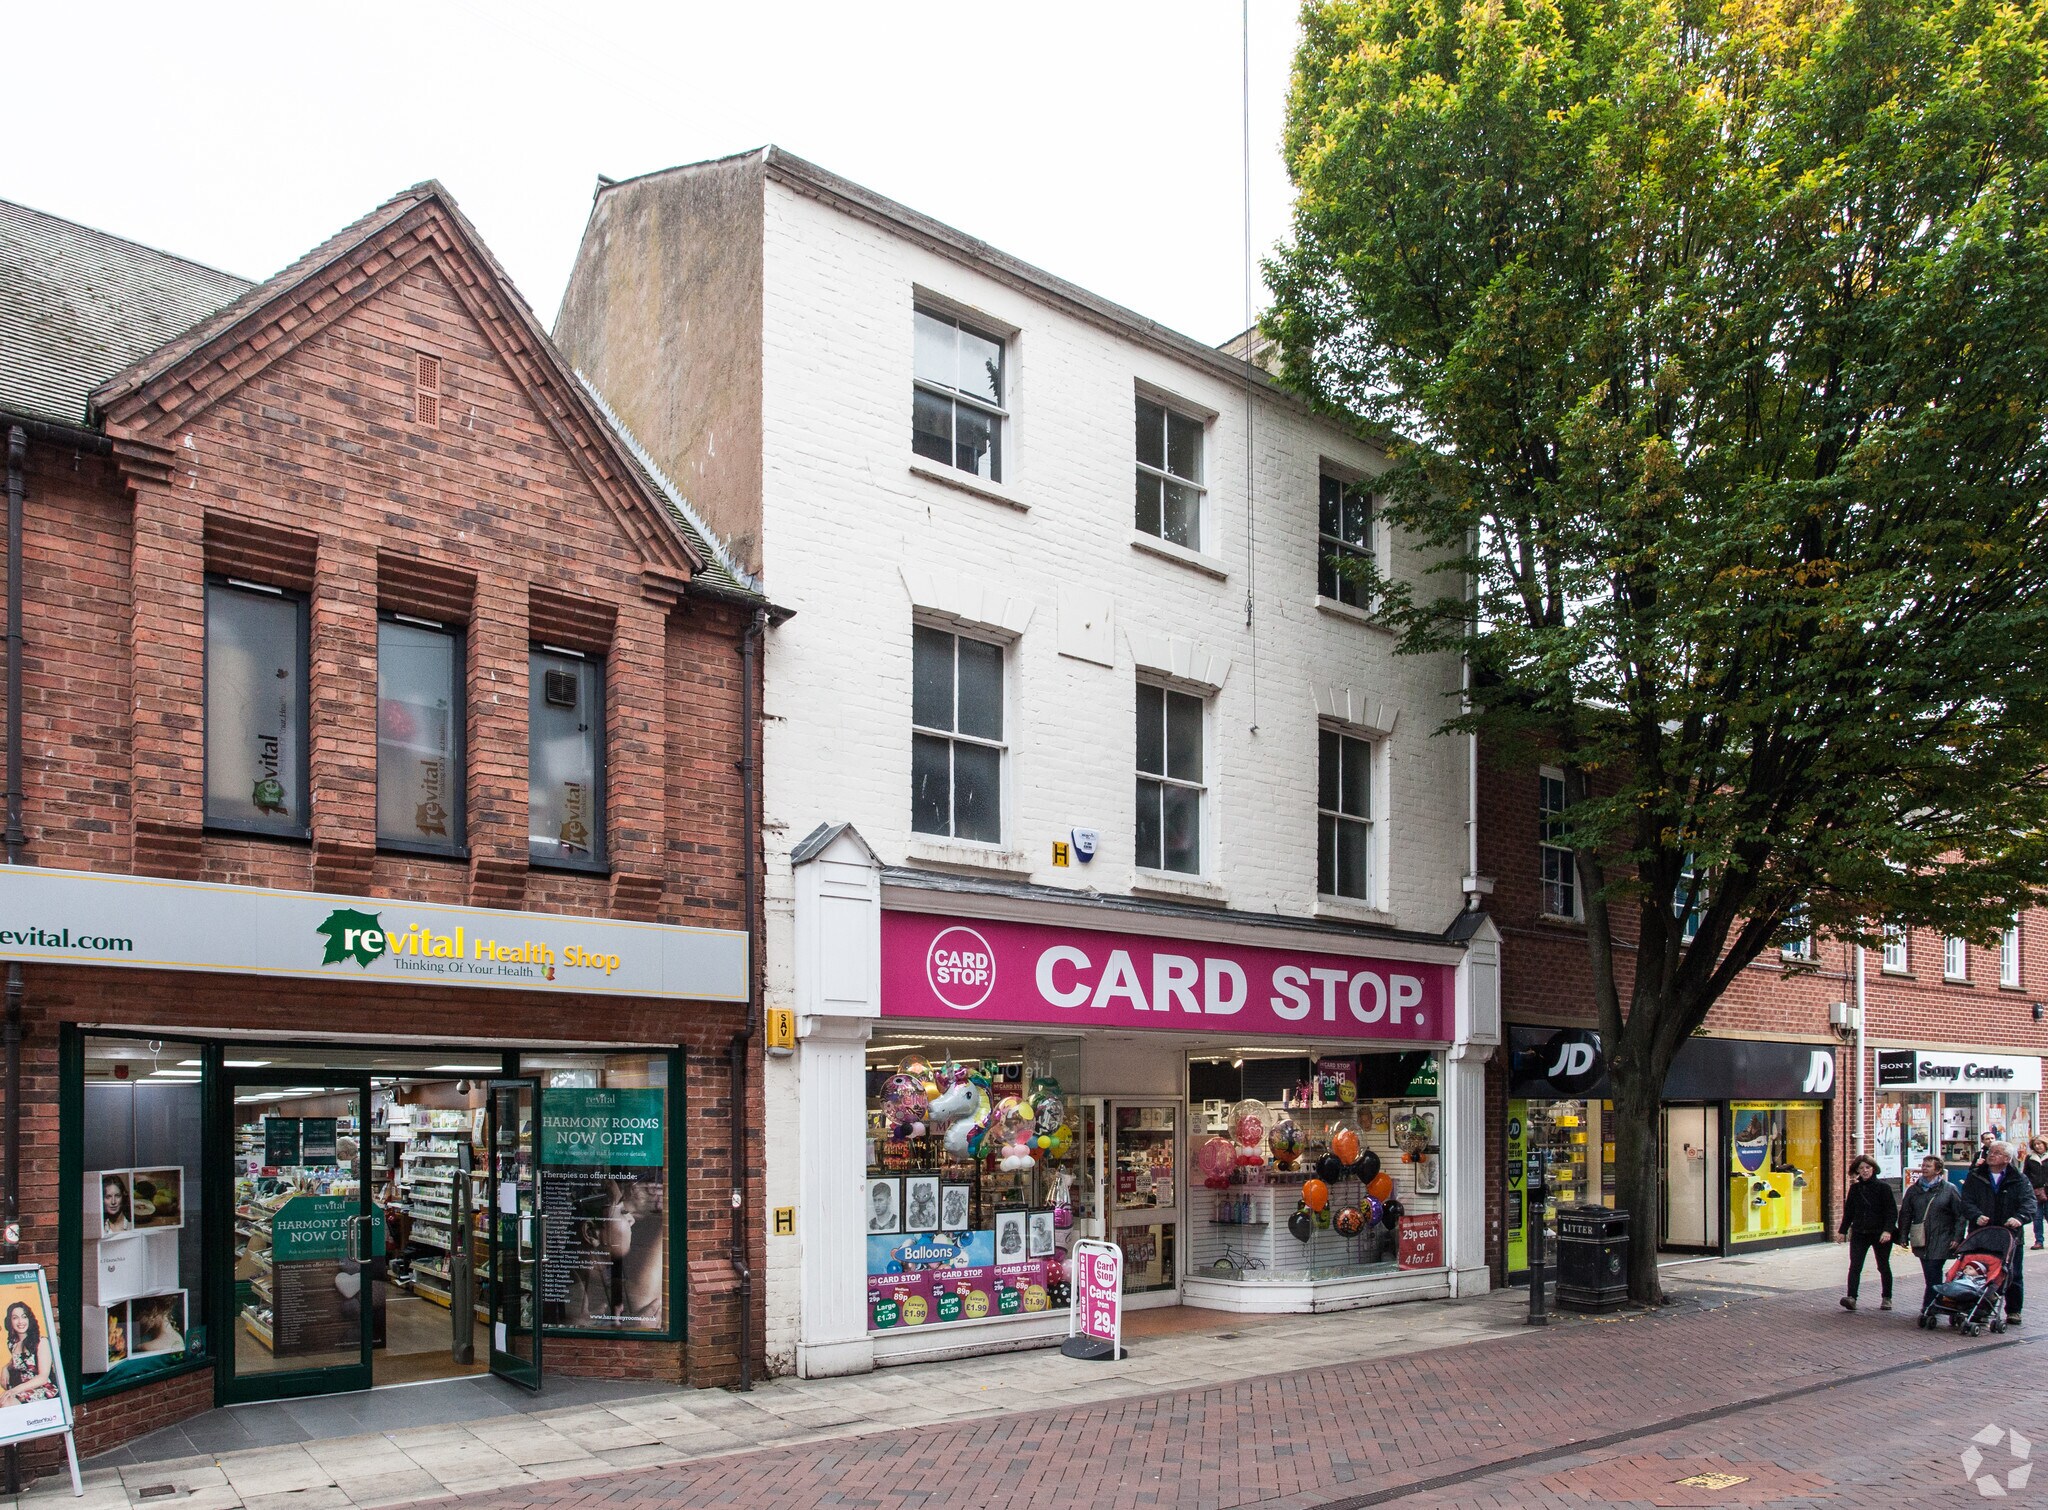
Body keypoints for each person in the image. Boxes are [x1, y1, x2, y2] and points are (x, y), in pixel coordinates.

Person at [1963, 1140, 2040, 1325]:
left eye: (1996, 1152)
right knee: (1979, 1271)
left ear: (2006, 1158)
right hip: (1982, 1234)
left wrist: (2019, 1218)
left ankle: (2013, 1310)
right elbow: (1966, 1201)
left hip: (2009, 1236)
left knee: (2012, 1273)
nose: (1991, 1154)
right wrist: (1976, 1215)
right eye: (1990, 1151)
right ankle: (1980, 1308)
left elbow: (2029, 1203)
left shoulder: (2019, 1179)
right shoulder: (1976, 1176)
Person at [1898, 1153, 1968, 1313]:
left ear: (1938, 1170)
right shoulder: (1914, 1190)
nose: (1924, 1168)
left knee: (1933, 1271)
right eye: (1923, 1165)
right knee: (1930, 1274)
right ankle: (1940, 1302)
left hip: (1942, 1237)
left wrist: (1957, 1237)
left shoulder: (1949, 1189)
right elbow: (1906, 1213)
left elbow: (1960, 1215)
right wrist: (1903, 1235)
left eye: (1928, 1166)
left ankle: (1930, 1306)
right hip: (1921, 1239)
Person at [1838, 1154, 1896, 1310]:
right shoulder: (1855, 1189)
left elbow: (1891, 1211)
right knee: (1855, 1265)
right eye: (1861, 1168)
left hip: (1879, 1233)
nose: (1865, 1171)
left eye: (1868, 1167)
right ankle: (1851, 1297)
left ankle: (1887, 1297)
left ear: (1874, 1169)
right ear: (1857, 1170)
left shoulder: (1884, 1188)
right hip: (1860, 1232)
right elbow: (1849, 1211)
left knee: (1883, 1265)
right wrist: (1842, 1230)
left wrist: (1887, 1230)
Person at [2, 1300, 55, 1404]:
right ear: (10, 1322)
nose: (20, 1321)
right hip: (21, 1389)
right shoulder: (13, 1344)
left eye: (24, 1316)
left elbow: (43, 1378)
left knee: (6, 1403)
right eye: (15, 1318)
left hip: (41, 1389)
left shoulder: (41, 1342)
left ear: (29, 1319)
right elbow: (18, 1361)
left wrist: (14, 1390)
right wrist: (5, 1368)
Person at [2026, 1138, 2048, 1251]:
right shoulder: (2030, 1158)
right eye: (2035, 1144)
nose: (2038, 1146)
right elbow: (2026, 1175)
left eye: (2040, 1144)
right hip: (2035, 1192)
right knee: (2037, 1218)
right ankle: (2039, 1241)